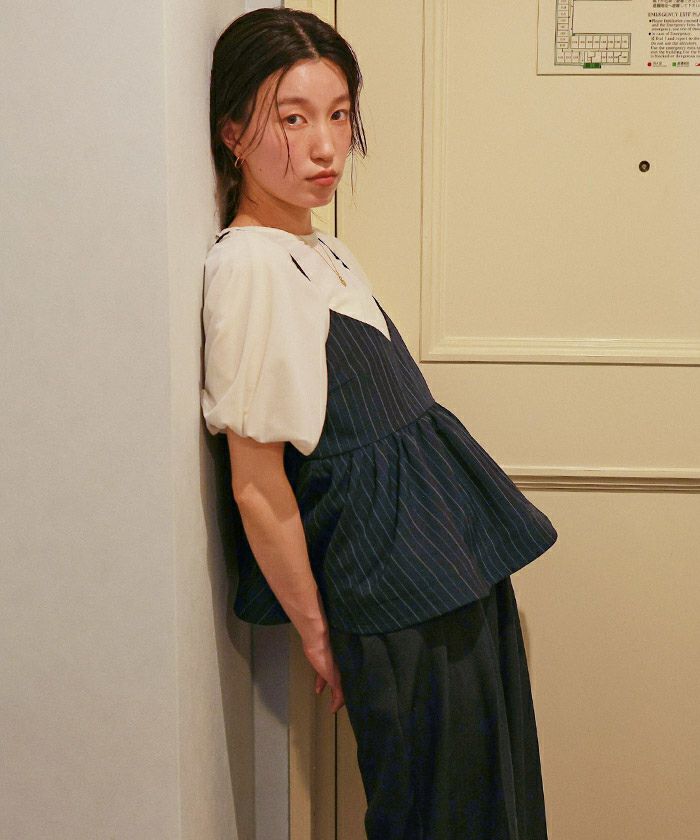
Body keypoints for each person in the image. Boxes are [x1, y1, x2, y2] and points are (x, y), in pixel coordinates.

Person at [202, 8, 558, 839]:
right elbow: (257, 484)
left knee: (487, 806)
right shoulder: (249, 267)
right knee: (437, 816)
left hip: (450, 574)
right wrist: (318, 636)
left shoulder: (322, 250)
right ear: (233, 133)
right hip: (397, 599)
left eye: (338, 115)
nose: (326, 147)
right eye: (293, 119)